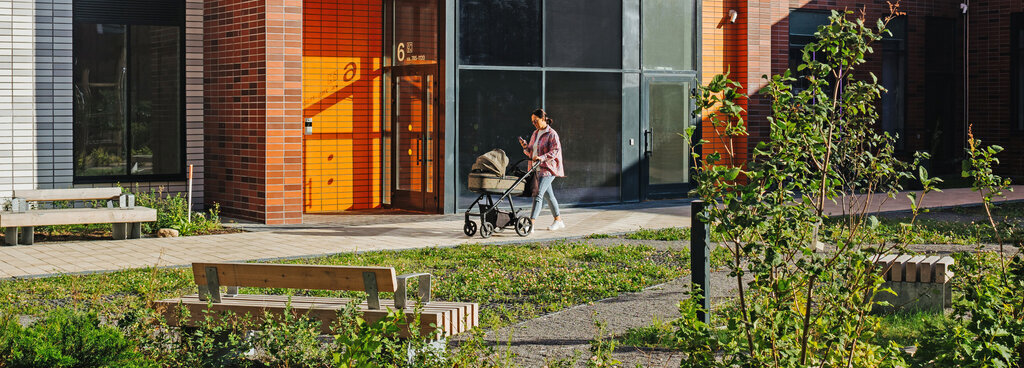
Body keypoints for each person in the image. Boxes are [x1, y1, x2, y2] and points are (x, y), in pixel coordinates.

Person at [519, 108, 565, 231]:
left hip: (549, 168)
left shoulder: (552, 134)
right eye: (532, 121)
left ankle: (530, 224)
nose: (534, 123)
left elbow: (555, 151)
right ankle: (558, 220)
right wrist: (525, 147)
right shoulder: (535, 133)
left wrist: (542, 157)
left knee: (538, 195)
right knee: (549, 196)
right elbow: (531, 152)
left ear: (543, 119)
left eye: (536, 121)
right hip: (536, 168)